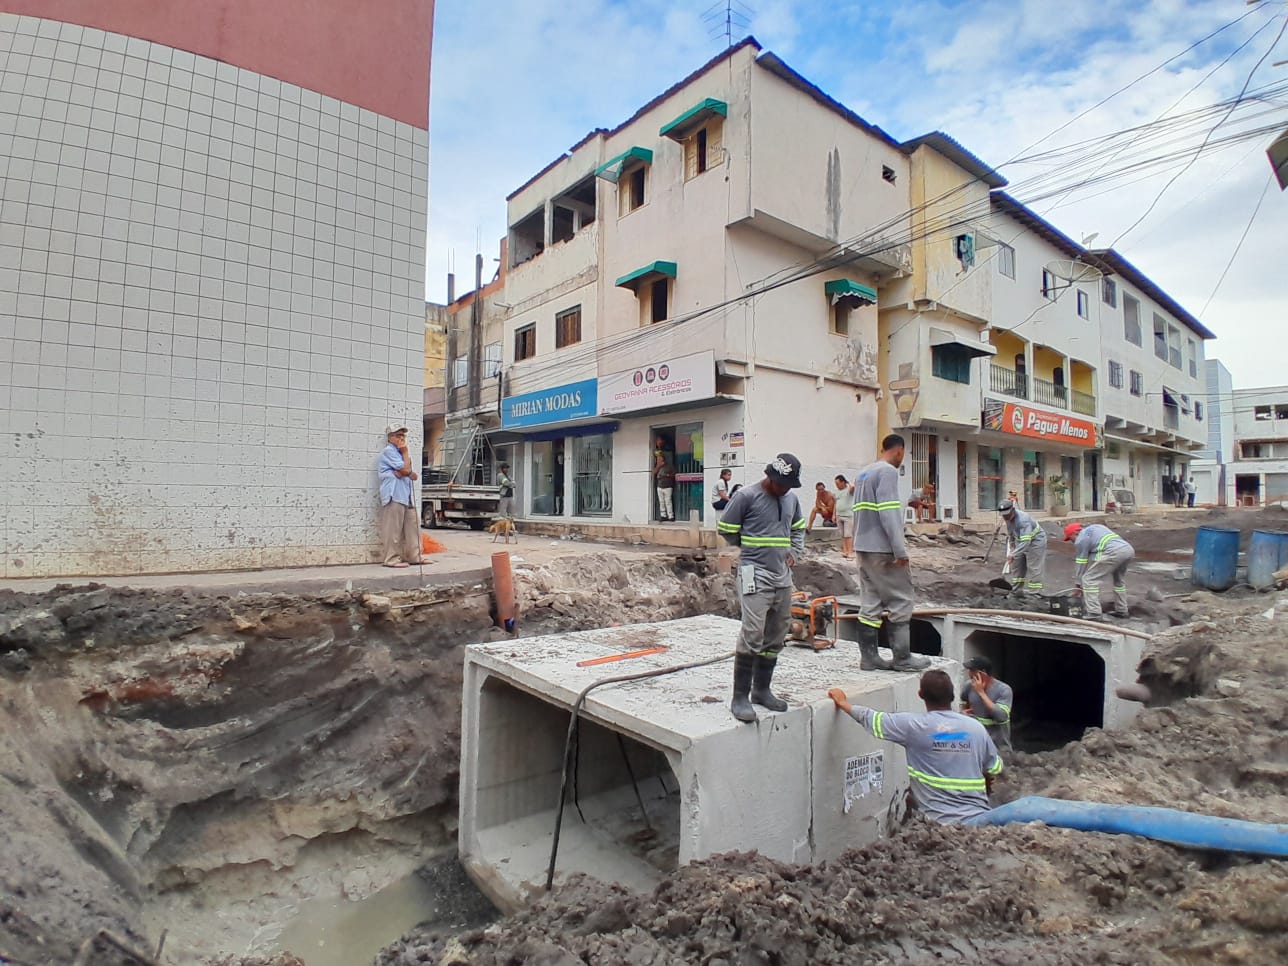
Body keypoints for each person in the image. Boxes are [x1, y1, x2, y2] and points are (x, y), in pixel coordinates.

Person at [828, 669, 1002, 824]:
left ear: (920, 694)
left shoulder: (913, 726)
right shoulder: (976, 728)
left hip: (935, 825)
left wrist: (843, 703)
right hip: (979, 822)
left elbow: (872, 718)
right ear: (952, 696)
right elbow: (994, 767)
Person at [717, 453, 807, 723]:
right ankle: (740, 696)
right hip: (754, 572)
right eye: (781, 484)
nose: (785, 489)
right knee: (752, 632)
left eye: (789, 485)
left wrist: (795, 551)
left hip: (782, 575)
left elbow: (798, 527)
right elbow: (727, 529)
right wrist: (751, 548)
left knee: (777, 633)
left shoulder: (791, 499)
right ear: (770, 477)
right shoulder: (746, 496)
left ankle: (761, 690)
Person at [853, 434, 929, 672]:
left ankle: (869, 658)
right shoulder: (887, 472)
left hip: (863, 547)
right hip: (883, 549)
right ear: (899, 451)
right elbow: (888, 514)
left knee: (871, 601)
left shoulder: (864, 473)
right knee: (901, 599)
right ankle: (902, 658)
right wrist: (900, 550)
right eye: (903, 454)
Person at [1065, 522, 1135, 620]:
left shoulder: (1081, 539)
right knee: (1119, 582)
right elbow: (1097, 554)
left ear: (1075, 533)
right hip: (1128, 550)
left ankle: (1094, 613)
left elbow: (1081, 562)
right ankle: (1122, 610)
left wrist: (1078, 584)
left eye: (1070, 538)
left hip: (1113, 552)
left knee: (1089, 580)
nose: (1071, 541)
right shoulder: (1096, 527)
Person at [377, 424, 421, 569]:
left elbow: (407, 472)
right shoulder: (389, 451)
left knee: (412, 526)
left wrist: (404, 472)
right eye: (398, 435)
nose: (401, 438)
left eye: (403, 436)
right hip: (394, 494)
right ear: (390, 438)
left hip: (405, 494)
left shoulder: (400, 453)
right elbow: (406, 469)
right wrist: (405, 453)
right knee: (393, 529)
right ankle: (391, 559)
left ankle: (415, 556)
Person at [959, 656, 1013, 754]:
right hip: (977, 746)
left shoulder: (1004, 690)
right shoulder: (969, 686)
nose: (969, 674)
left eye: (972, 670)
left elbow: (1001, 717)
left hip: (999, 749)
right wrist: (963, 714)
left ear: (982, 673)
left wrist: (981, 693)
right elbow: (964, 703)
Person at [998, 499, 1046, 595]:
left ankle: (1035, 593)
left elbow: (1026, 542)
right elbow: (1010, 531)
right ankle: (1016, 590)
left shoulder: (1023, 520)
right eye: (1003, 515)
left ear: (1013, 510)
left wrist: (1013, 554)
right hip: (1021, 540)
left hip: (1035, 541)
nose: (1005, 517)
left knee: (1034, 567)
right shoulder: (1007, 518)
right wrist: (1011, 544)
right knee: (1017, 565)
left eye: (1007, 515)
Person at [834, 474, 855, 559]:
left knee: (848, 535)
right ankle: (845, 551)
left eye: (838, 483)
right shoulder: (837, 492)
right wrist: (834, 515)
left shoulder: (849, 490)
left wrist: (848, 482)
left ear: (843, 482)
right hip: (839, 515)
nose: (837, 485)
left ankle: (850, 552)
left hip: (848, 516)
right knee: (842, 535)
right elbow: (836, 503)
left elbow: (853, 487)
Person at [654, 452, 676, 522]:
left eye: (659, 459)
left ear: (662, 459)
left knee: (668, 501)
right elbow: (653, 473)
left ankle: (670, 516)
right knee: (661, 502)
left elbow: (673, 474)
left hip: (668, 486)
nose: (658, 460)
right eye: (657, 459)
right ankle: (663, 515)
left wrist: (667, 475)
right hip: (660, 486)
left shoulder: (669, 466)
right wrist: (658, 466)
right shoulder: (657, 466)